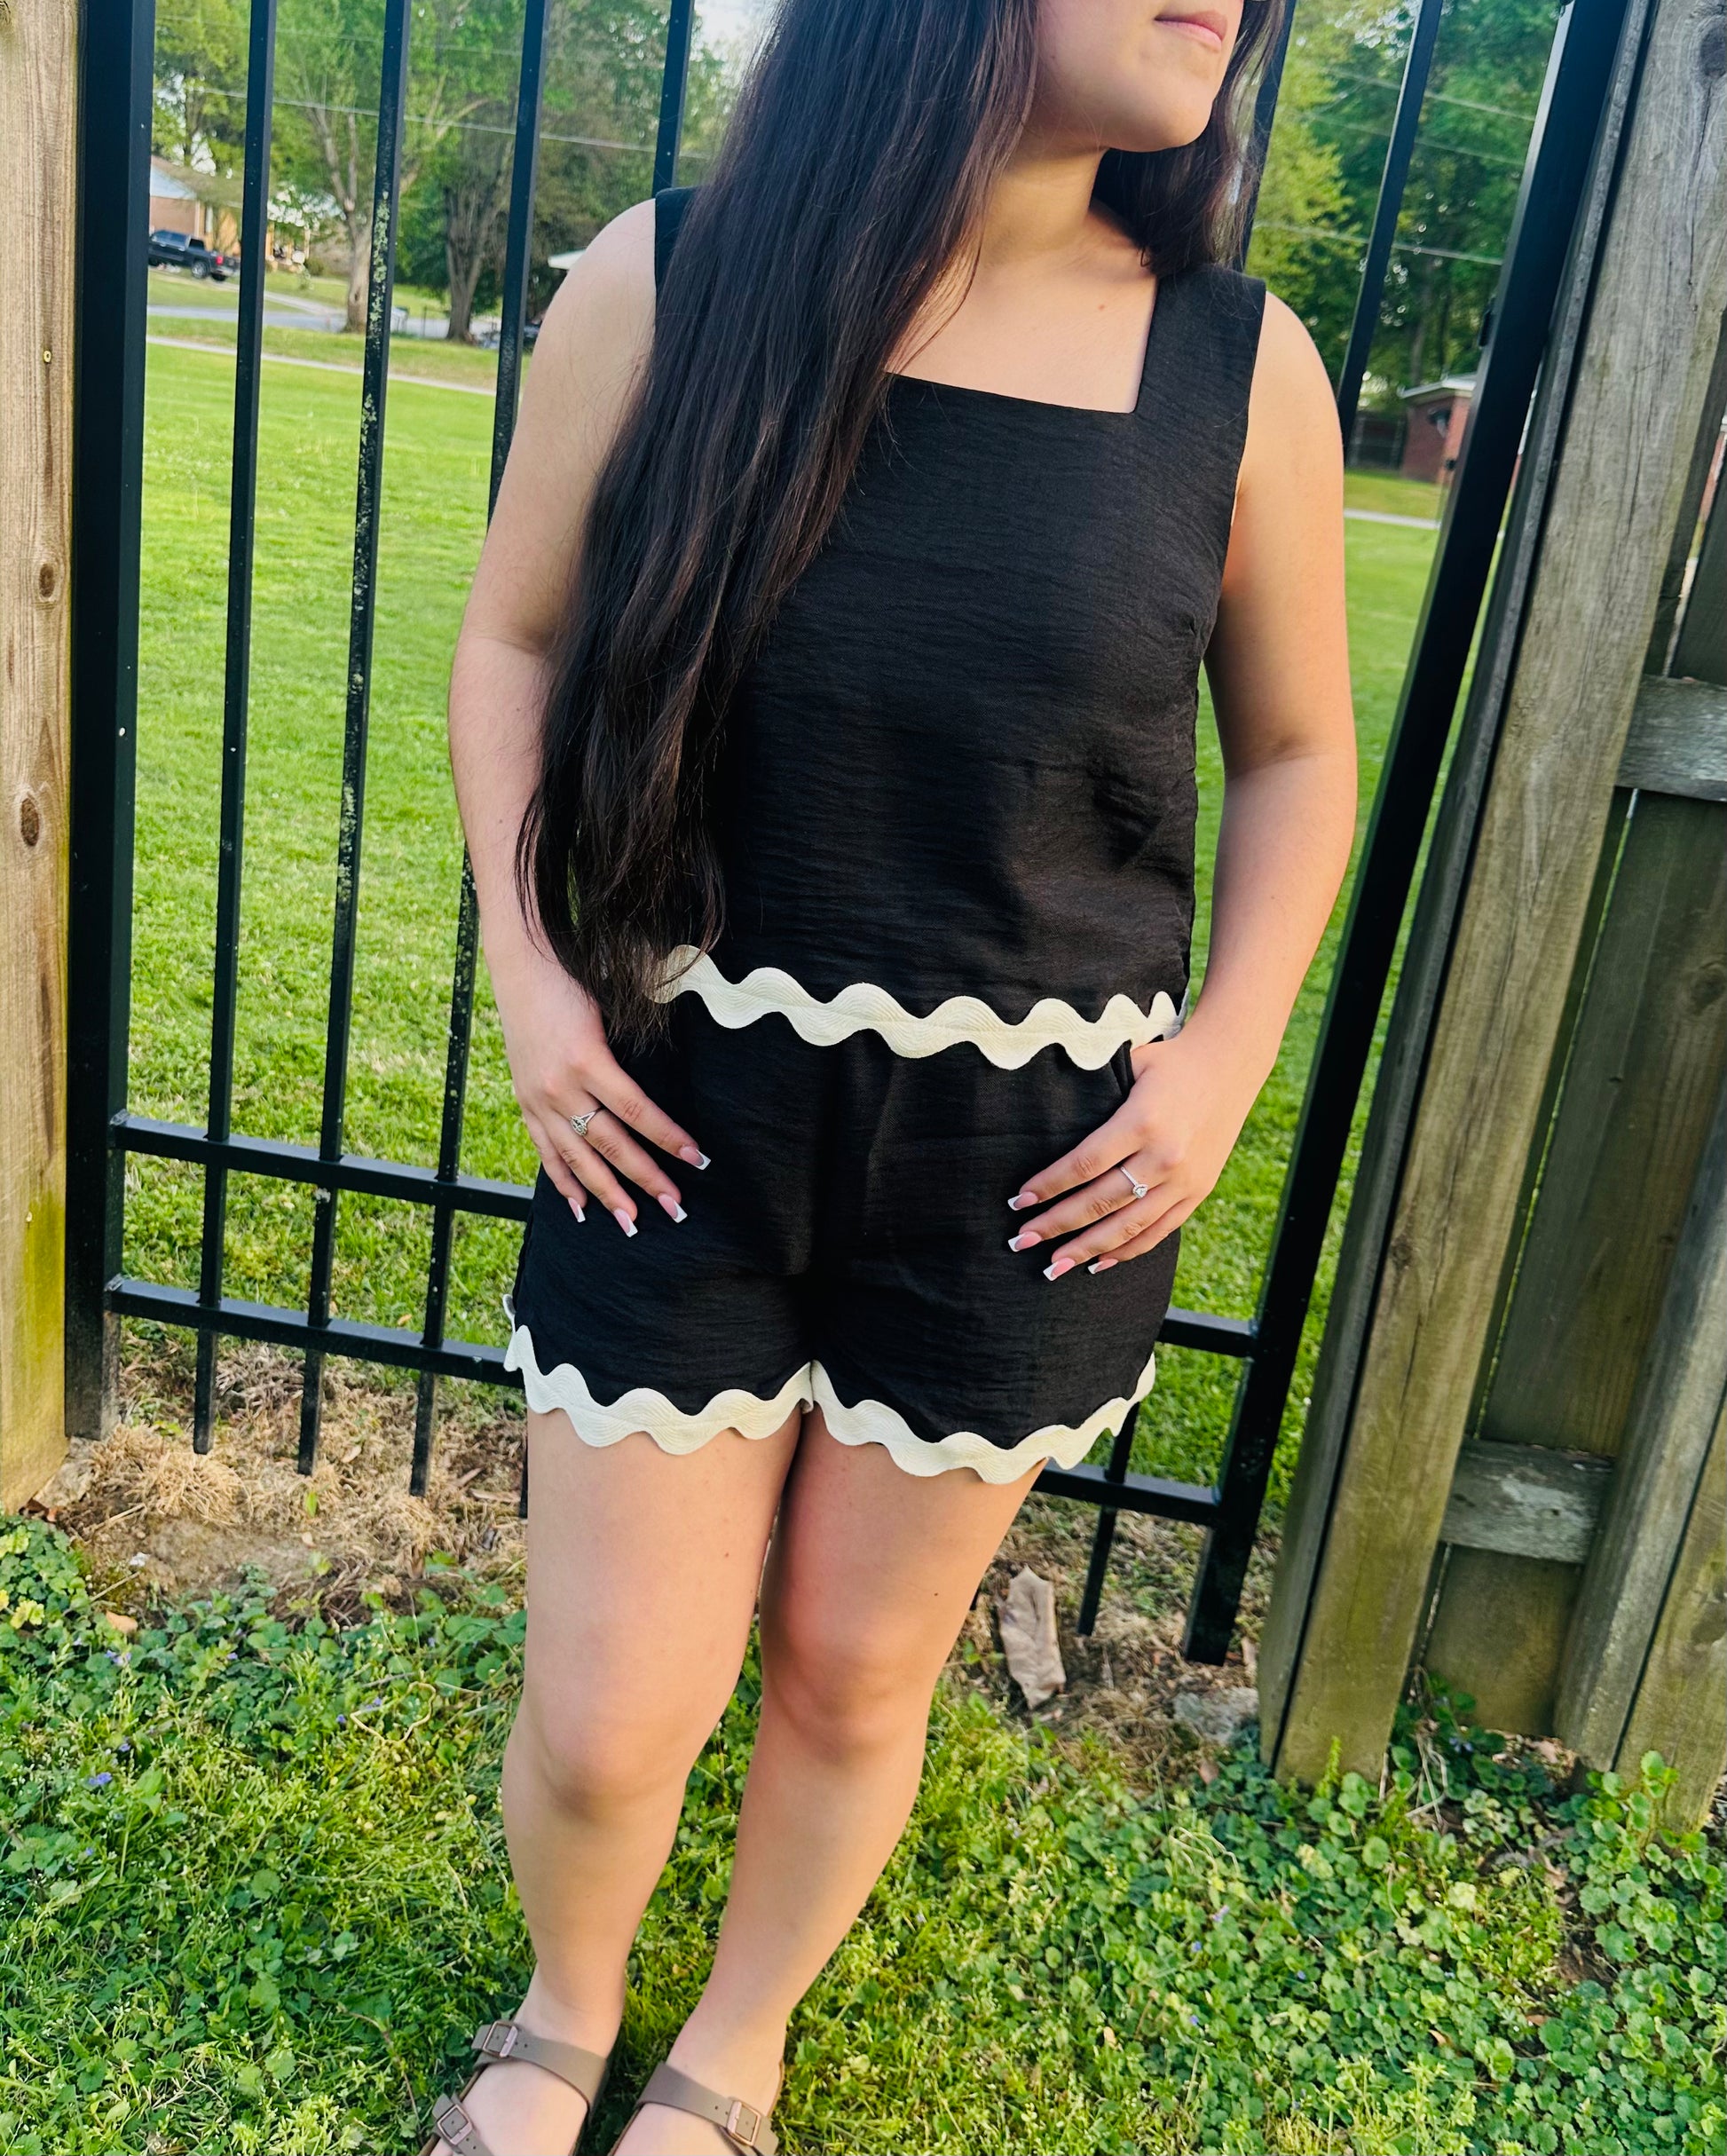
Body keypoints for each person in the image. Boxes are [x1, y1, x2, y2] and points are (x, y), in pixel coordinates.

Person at [435, 1, 1354, 2148]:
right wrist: (534, 981)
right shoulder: (666, 281)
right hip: (678, 1118)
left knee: (854, 1675)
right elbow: (517, 642)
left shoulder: (1245, 370)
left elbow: (1297, 753)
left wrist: (1220, 1061)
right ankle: (564, 2012)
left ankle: (724, 2056)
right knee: (605, 1714)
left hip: (1024, 1174)